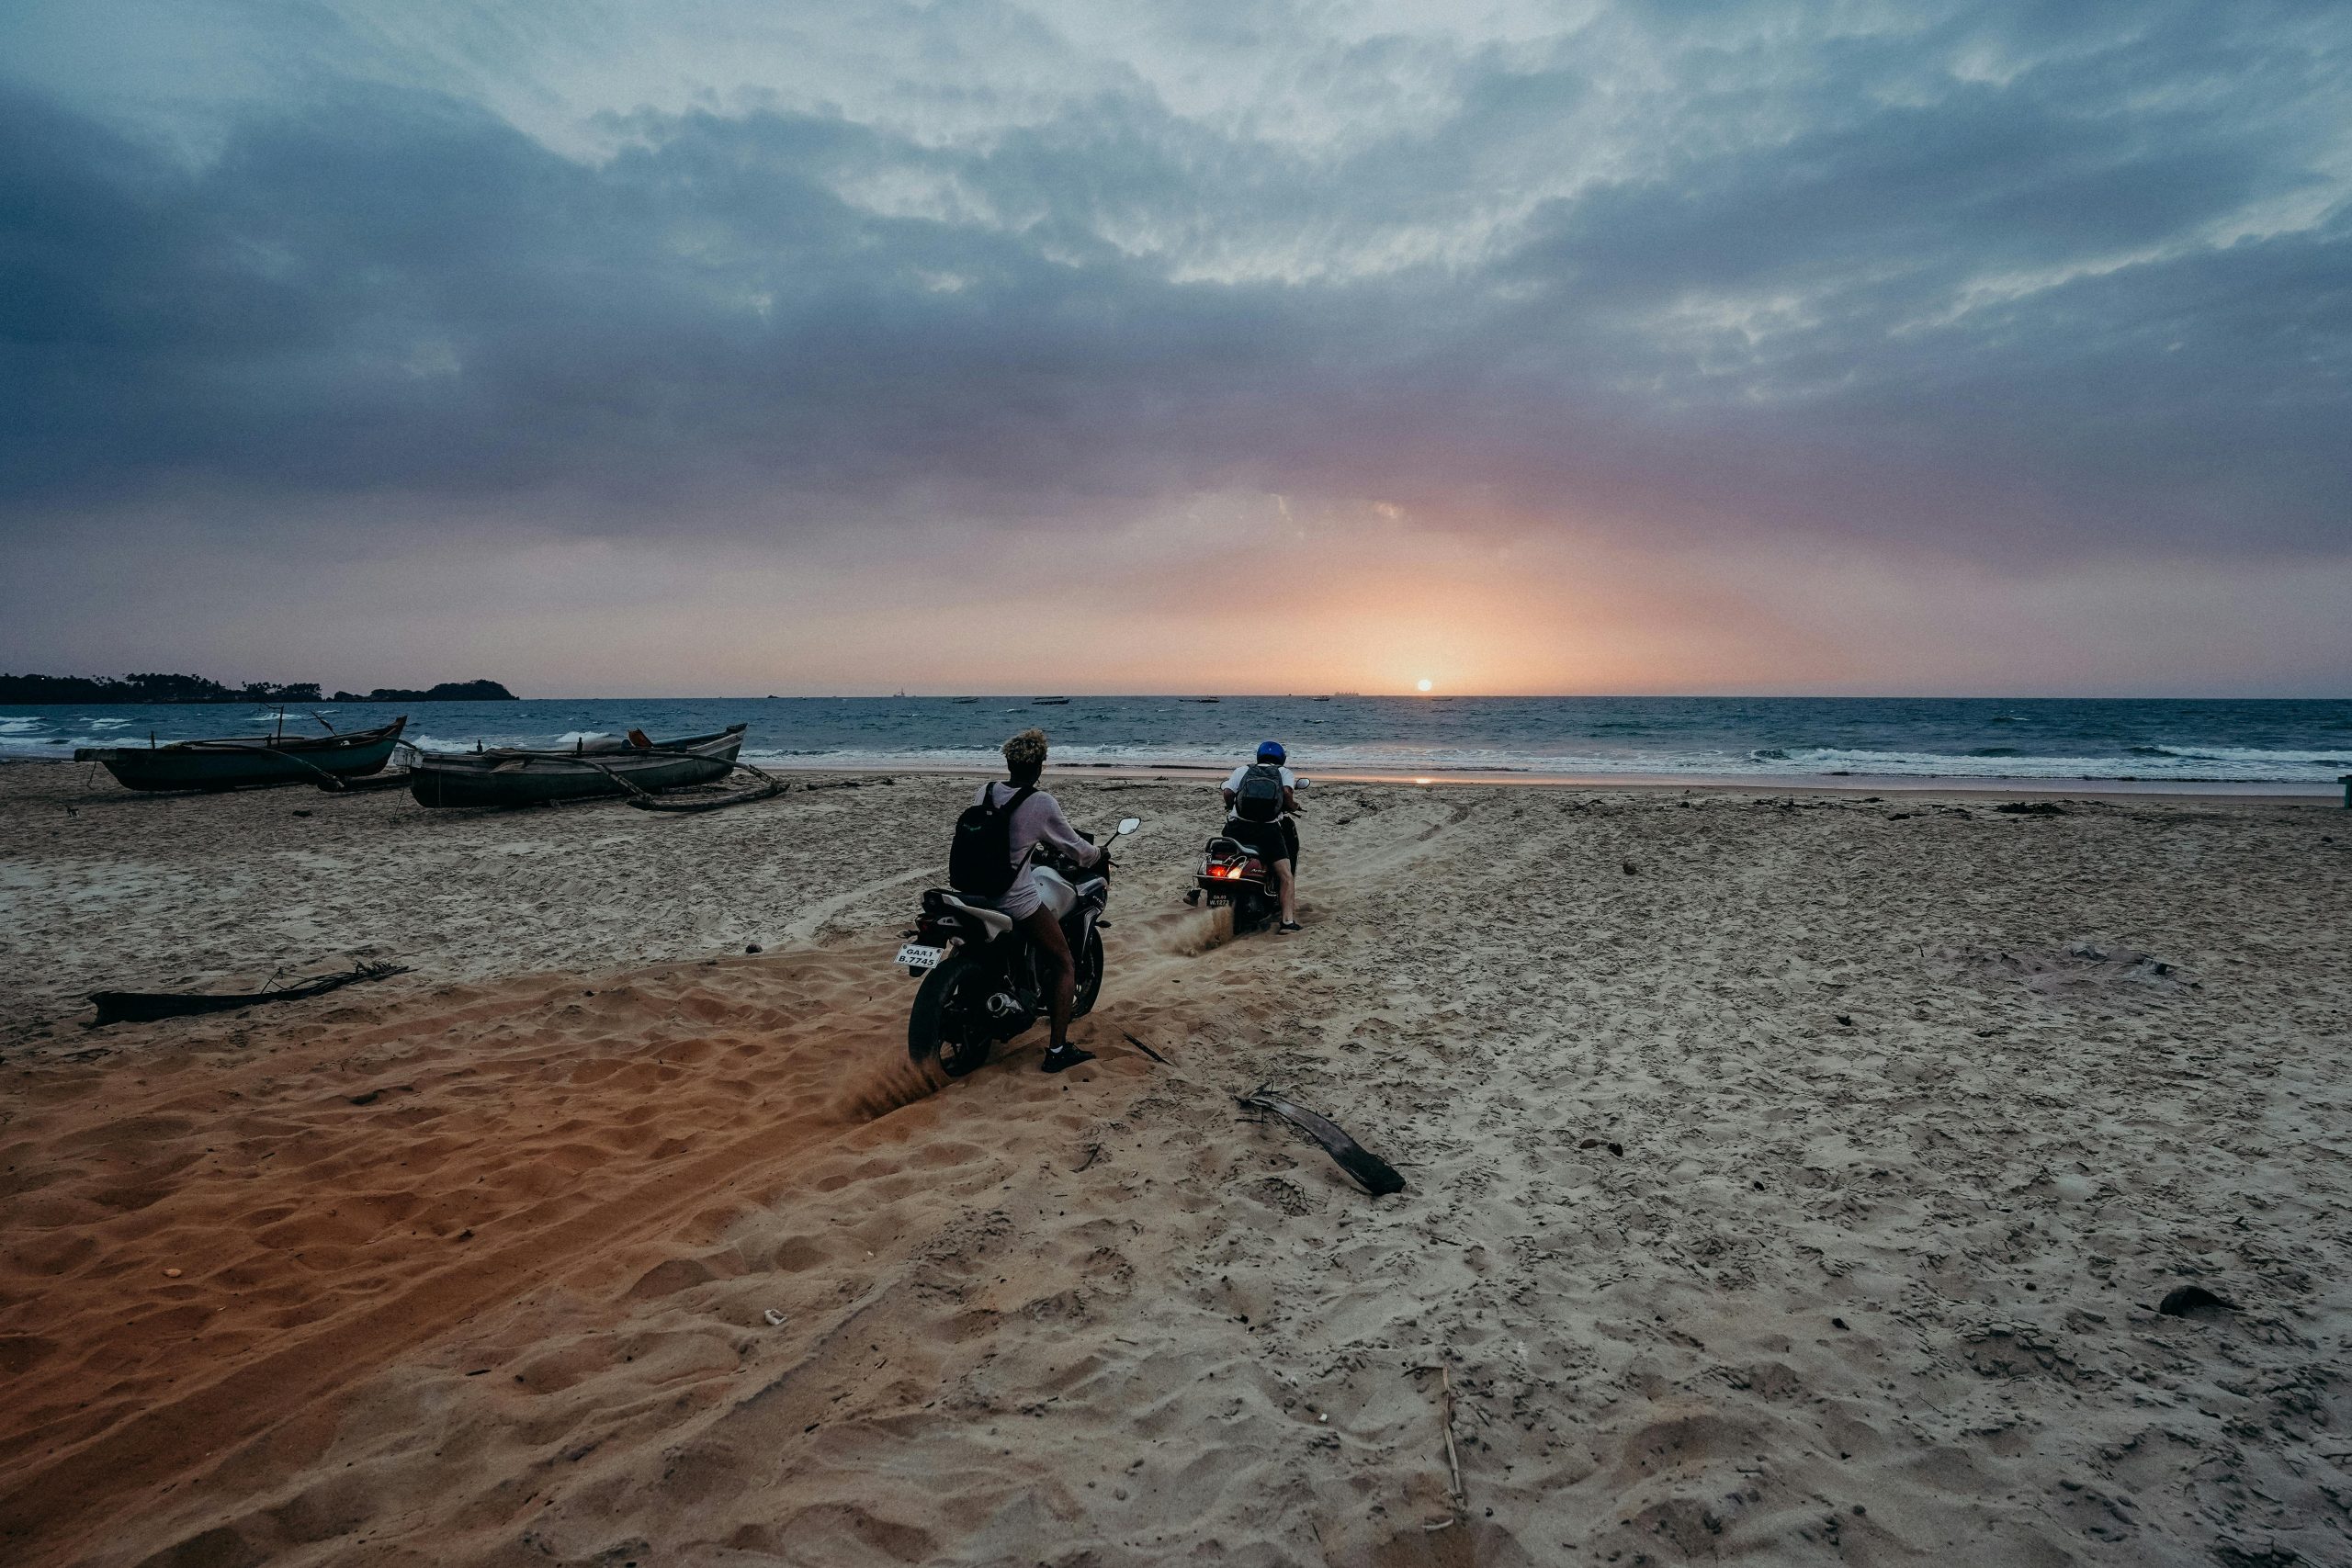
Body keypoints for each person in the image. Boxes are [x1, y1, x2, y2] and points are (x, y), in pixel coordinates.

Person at [969, 728, 1105, 1072]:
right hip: (1013, 900)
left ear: (1009, 762)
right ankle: (1058, 1051)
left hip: (975, 893)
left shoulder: (984, 792)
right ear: (1040, 766)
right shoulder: (1041, 803)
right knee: (1063, 961)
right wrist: (1098, 853)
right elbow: (1075, 848)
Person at [1222, 739, 1302, 931]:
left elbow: (1227, 792)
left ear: (1258, 756)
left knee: (1222, 858)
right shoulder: (1284, 773)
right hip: (1267, 831)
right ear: (1282, 758)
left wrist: (1230, 806)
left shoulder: (1242, 770)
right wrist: (1293, 806)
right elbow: (1286, 792)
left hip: (1236, 828)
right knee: (1286, 875)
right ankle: (1287, 922)